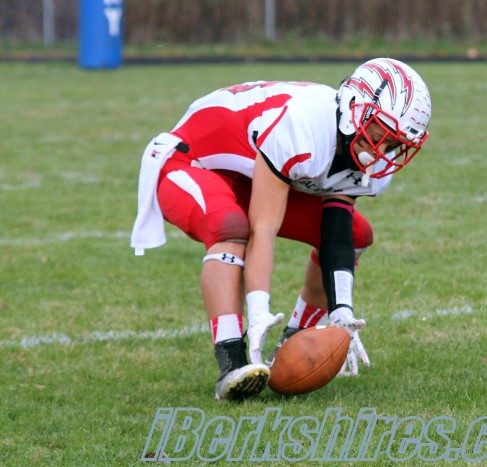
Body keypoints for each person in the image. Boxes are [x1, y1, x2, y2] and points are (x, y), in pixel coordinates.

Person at [131, 58, 432, 400]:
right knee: (229, 226)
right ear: (354, 109)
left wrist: (342, 312)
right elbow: (263, 228)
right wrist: (258, 311)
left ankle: (294, 339)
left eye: (394, 144)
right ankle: (231, 360)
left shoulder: (358, 147)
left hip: (247, 175)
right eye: (380, 135)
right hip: (189, 160)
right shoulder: (304, 127)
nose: (383, 151)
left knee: (356, 235)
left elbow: (336, 232)